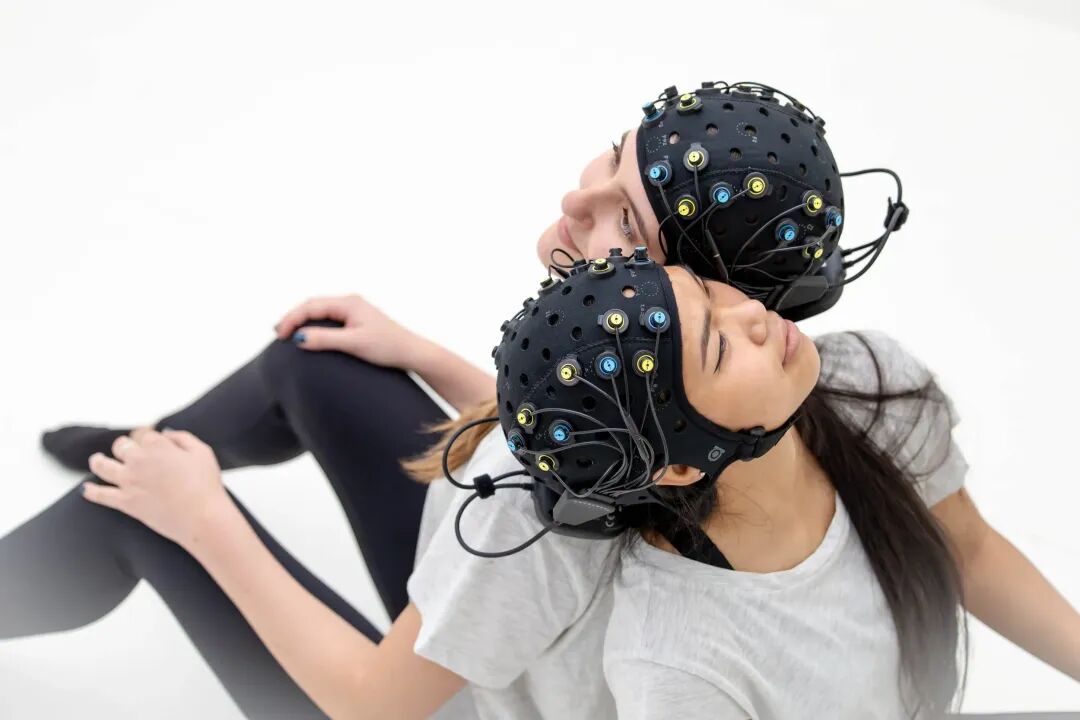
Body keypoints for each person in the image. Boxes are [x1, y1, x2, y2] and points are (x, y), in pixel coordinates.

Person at [2, 83, 1075, 717]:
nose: (575, 205)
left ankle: (135, 496)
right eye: (611, 160)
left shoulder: (556, 537)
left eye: (626, 230)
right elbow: (582, 437)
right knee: (312, 360)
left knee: (137, 509)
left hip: (436, 679)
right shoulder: (788, 396)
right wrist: (423, 353)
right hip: (490, 568)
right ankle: (169, 448)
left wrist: (203, 522)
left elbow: (379, 702)